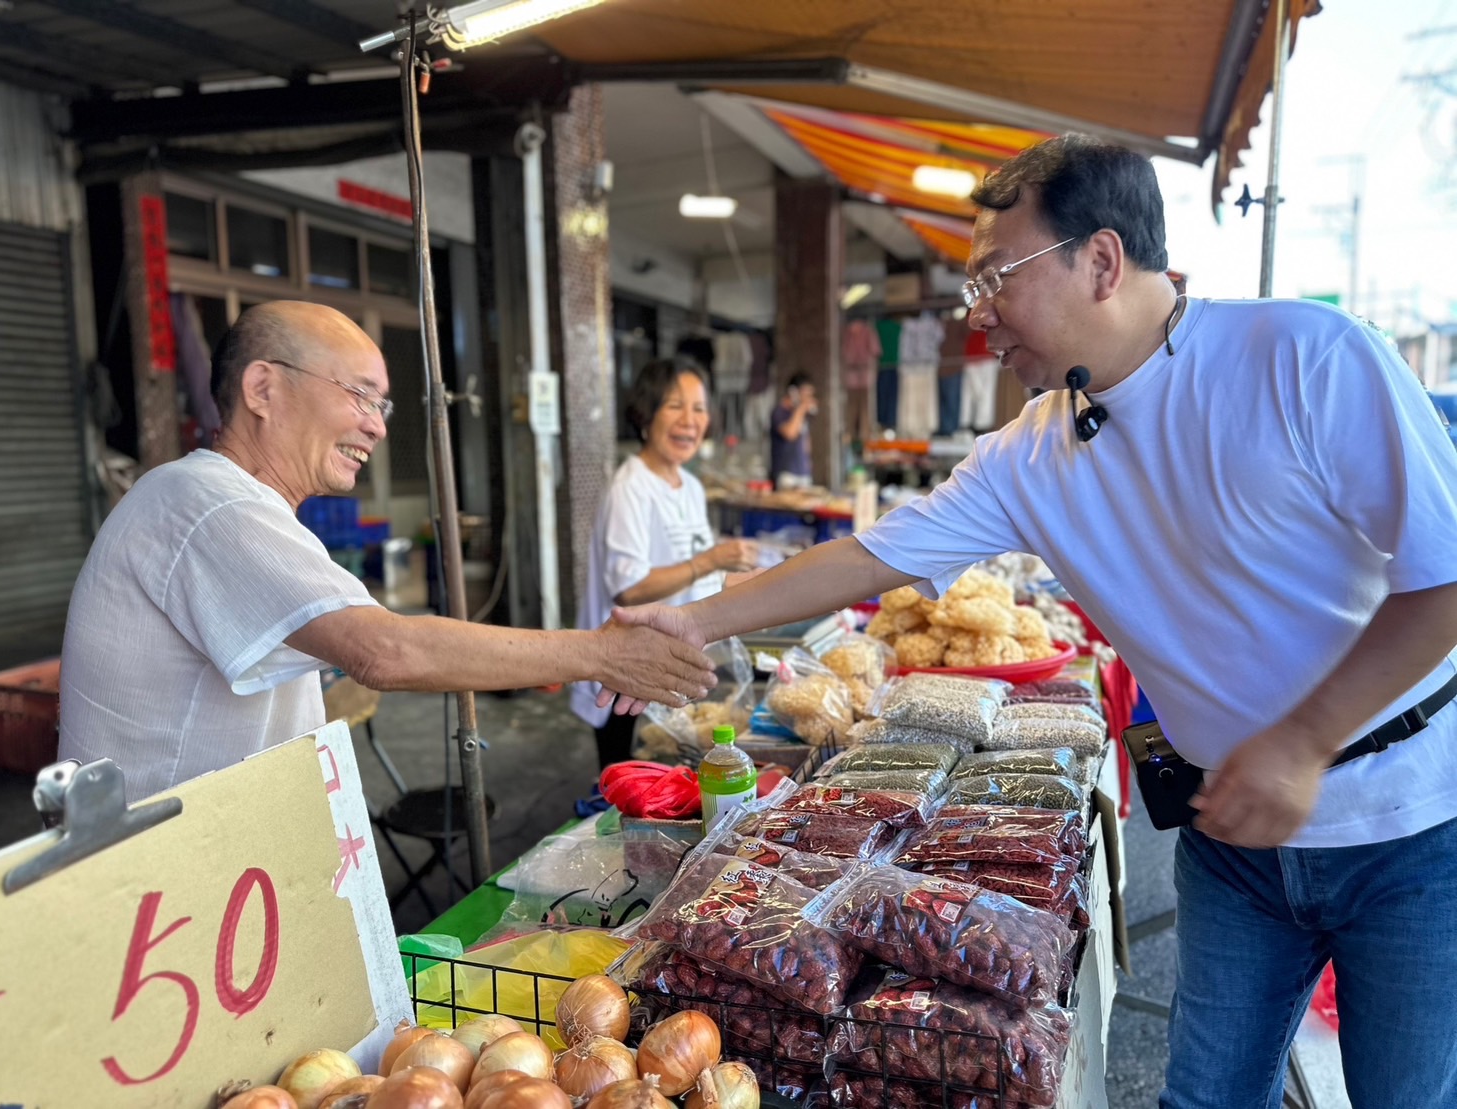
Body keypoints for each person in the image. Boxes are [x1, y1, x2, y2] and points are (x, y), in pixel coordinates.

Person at [604, 135, 1457, 1108]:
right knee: (1206, 1094)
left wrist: (1301, 741)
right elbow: (869, 555)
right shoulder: (1034, 448)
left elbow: (1445, 575)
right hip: (1237, 840)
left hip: (1411, 827)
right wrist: (696, 621)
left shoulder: (1304, 358)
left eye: (994, 278)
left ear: (1100, 259)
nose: (978, 316)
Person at [58, 301, 715, 802]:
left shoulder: (236, 506)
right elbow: (386, 649)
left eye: (383, 403)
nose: (376, 423)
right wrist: (600, 652)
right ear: (262, 389)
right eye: (359, 395)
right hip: (161, 898)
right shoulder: (205, 501)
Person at [570, 359, 758, 768]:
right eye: (675, 406)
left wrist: (750, 579)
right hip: (625, 668)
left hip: (672, 664)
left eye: (699, 408)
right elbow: (631, 588)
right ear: (646, 413)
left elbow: (696, 574)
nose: (690, 421)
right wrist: (710, 559)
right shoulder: (631, 488)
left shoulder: (689, 485)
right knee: (628, 778)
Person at [769, 372, 817, 488]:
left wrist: (808, 462)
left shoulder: (801, 414)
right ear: (793, 392)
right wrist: (801, 408)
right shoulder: (780, 412)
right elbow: (790, 434)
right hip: (787, 474)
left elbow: (805, 439)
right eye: (805, 394)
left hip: (803, 472)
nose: (808, 399)